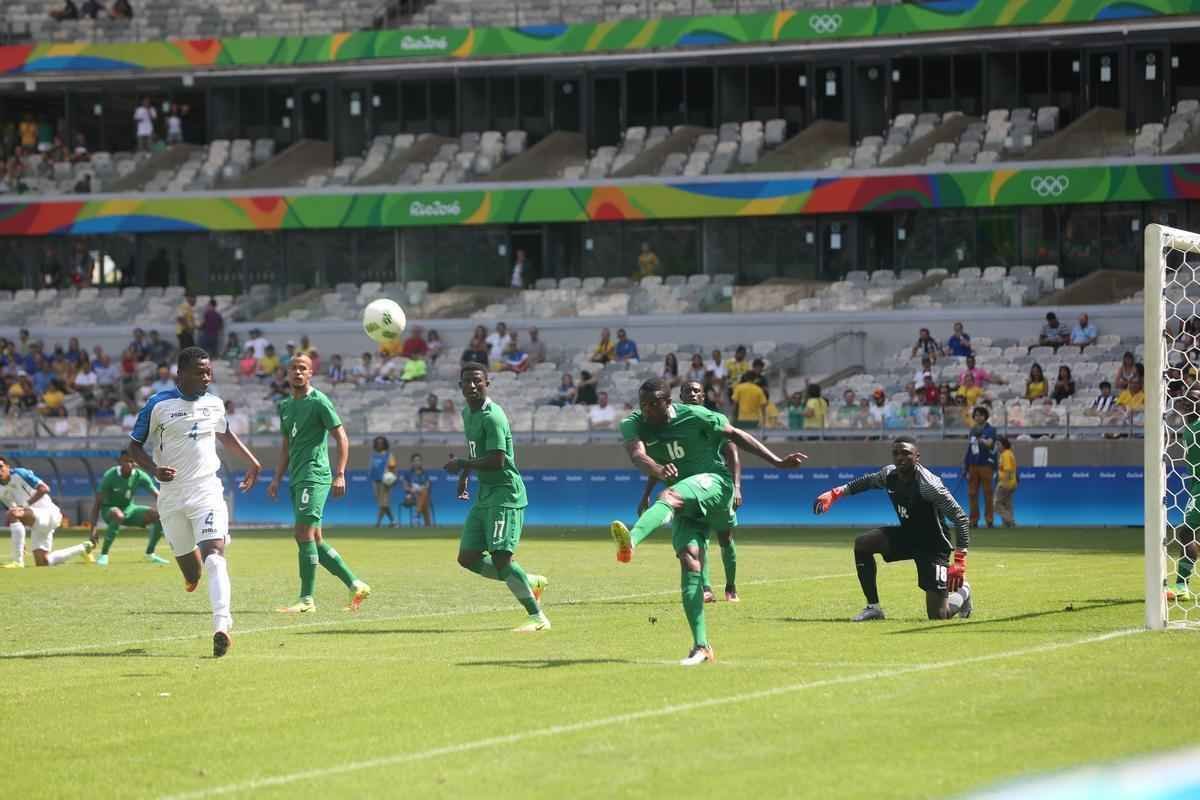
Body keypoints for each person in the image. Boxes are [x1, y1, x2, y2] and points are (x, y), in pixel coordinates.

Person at [610, 378, 806, 665]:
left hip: (715, 485)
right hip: (688, 504)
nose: (648, 410)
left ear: (668, 403)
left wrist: (777, 462)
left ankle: (632, 541)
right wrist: (658, 468)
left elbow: (736, 436)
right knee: (690, 561)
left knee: (676, 499)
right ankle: (701, 646)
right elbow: (638, 455)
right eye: (644, 405)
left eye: (654, 404)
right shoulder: (634, 423)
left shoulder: (696, 415)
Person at [128, 347, 262, 657]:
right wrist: (153, 469)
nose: (207, 377)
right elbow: (134, 447)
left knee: (215, 557)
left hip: (206, 491)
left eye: (209, 371)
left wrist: (252, 462)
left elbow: (225, 435)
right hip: (172, 496)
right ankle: (192, 573)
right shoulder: (158, 405)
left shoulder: (214, 404)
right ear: (181, 374)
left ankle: (221, 626)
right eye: (201, 372)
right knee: (193, 573)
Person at [814, 437, 972, 622]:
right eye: (896, 453)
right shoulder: (889, 475)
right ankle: (874, 608)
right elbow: (867, 482)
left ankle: (964, 591)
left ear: (917, 457)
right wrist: (835, 493)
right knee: (863, 544)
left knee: (939, 615)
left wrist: (960, 560)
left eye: (906, 453)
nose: (900, 457)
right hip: (907, 536)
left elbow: (960, 518)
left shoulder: (930, 486)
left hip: (933, 546)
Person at [445, 362, 550, 632]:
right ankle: (527, 580)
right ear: (460, 386)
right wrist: (465, 475)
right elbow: (475, 450)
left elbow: (497, 460)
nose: (471, 385)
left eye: (477, 381)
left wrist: (462, 465)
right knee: (467, 558)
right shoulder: (468, 413)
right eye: (466, 381)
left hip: (505, 493)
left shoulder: (493, 416)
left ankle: (538, 618)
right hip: (485, 494)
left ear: (487, 384)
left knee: (501, 558)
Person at [267, 354, 370, 614]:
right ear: (287, 373)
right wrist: (277, 478)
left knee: (302, 534)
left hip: (315, 476)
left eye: (303, 368)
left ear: (311, 373)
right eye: (293, 369)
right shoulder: (286, 406)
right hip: (297, 477)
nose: (298, 373)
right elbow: (286, 446)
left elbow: (342, 437)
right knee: (315, 538)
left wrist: (340, 473)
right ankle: (356, 584)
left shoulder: (319, 401)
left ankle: (307, 600)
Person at [638, 380, 744, 602]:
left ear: (703, 396)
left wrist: (736, 487)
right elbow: (661, 463)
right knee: (698, 540)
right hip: (686, 490)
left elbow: (732, 453)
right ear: (679, 396)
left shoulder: (709, 419)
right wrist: (646, 493)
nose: (693, 394)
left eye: (697, 391)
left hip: (713, 487)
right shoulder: (673, 425)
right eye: (688, 391)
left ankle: (731, 585)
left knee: (725, 538)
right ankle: (705, 589)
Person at [0, 456, 94, 568]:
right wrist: (20, 541)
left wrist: (24, 505)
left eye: (1, 467)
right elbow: (14, 511)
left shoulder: (20, 473)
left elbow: (44, 488)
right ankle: (83, 548)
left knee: (12, 513)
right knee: (43, 563)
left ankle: (18, 561)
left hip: (49, 514)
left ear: (7, 466)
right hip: (36, 521)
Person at [87, 449, 170, 566]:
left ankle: (149, 554)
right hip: (110, 511)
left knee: (157, 516)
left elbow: (157, 495)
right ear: (120, 461)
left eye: (132, 461)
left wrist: (170, 510)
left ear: (136, 463)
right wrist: (93, 531)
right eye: (126, 461)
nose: (129, 464)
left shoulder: (139, 475)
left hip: (129, 510)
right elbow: (97, 505)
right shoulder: (110, 476)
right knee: (118, 514)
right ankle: (104, 555)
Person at [1169, 391, 1200, 601]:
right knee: (1189, 535)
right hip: (1195, 484)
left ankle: (1181, 586)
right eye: (1187, 401)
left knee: (1186, 533)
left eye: (1195, 400)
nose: (1189, 404)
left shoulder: (1194, 427)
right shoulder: (1188, 428)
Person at [963, 406, 997, 528]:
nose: (978, 417)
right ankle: (973, 520)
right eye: (976, 415)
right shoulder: (972, 430)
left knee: (988, 493)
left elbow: (990, 443)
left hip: (986, 465)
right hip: (973, 465)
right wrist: (966, 466)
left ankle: (989, 520)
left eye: (981, 415)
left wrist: (980, 439)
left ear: (985, 416)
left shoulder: (991, 430)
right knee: (972, 493)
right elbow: (970, 449)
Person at [369, 436, 397, 528]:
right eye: (378, 442)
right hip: (375, 481)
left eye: (381, 442)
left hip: (385, 482)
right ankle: (393, 522)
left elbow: (393, 468)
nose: (379, 444)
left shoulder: (389, 455)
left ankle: (378, 523)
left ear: (384, 444)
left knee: (383, 503)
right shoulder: (373, 455)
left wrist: (391, 478)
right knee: (382, 503)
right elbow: (372, 468)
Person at [402, 454, 432, 528]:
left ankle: (417, 515)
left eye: (419, 460)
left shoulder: (424, 473)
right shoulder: (408, 474)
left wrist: (420, 489)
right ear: (412, 462)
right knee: (424, 496)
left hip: (422, 495)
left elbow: (427, 485)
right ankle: (427, 524)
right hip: (411, 497)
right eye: (415, 461)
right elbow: (405, 487)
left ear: (421, 462)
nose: (417, 462)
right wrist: (412, 490)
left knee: (423, 493)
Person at [994, 436, 1017, 527]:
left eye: (998, 444)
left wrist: (1004, 484)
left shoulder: (1006, 455)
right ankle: (1007, 524)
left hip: (1005, 483)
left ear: (1003, 445)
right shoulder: (1008, 453)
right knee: (1007, 504)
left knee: (996, 505)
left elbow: (1007, 470)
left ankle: (1010, 520)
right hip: (1012, 482)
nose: (997, 446)